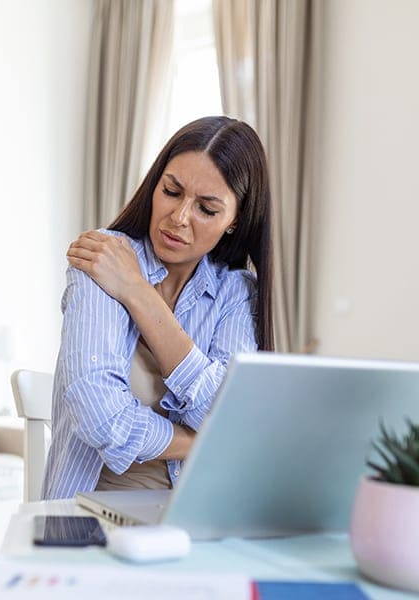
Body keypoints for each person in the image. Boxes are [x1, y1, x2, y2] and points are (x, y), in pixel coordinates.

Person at [42, 116, 274, 500]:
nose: (179, 218)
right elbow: (99, 417)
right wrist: (200, 442)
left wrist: (138, 293)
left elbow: (230, 413)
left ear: (234, 221)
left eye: (206, 209)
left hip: (196, 514)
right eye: (171, 191)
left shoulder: (235, 291)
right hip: (90, 515)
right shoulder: (103, 256)